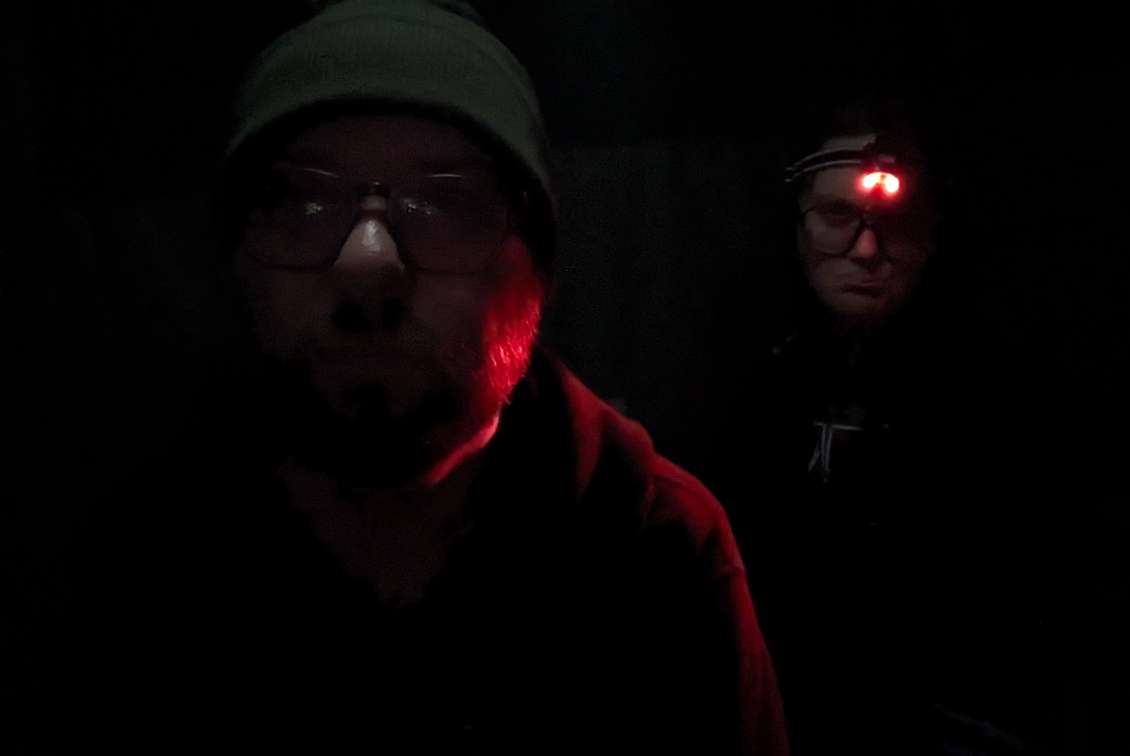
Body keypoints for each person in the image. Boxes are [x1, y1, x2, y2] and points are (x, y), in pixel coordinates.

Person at [12, 2, 787, 753]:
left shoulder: (659, 549)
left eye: (447, 203)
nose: (368, 264)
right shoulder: (120, 555)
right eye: (302, 201)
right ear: (236, 257)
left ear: (538, 271)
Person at [702, 95, 1053, 753]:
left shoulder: (995, 396)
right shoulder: (735, 376)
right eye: (838, 217)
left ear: (933, 235)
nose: (867, 248)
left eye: (898, 222)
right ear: (796, 225)